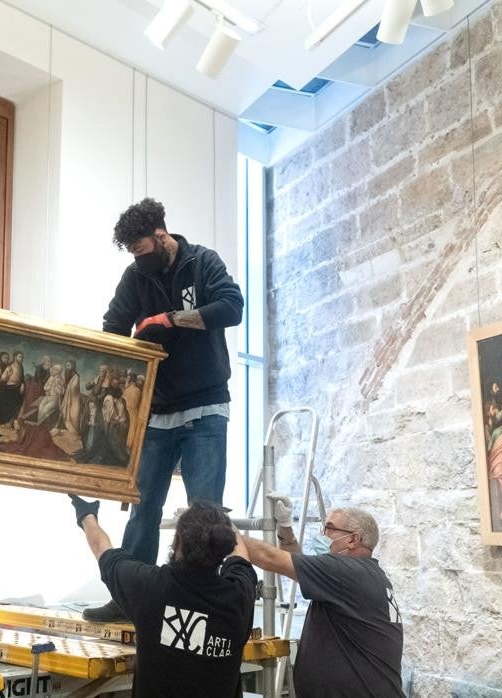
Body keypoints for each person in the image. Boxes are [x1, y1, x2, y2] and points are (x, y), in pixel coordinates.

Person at [89, 197, 244, 622]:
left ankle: (204, 599)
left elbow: (232, 308)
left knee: (206, 510)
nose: (139, 263)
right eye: (132, 256)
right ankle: (128, 599)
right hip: (156, 410)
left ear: (161, 237)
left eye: (141, 251)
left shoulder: (202, 262)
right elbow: (113, 326)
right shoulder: (135, 276)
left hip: (206, 405)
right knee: (143, 505)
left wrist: (171, 320)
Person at [69, 496, 256, 697]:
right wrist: (225, 523)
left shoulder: (149, 587)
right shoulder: (239, 597)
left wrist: (86, 515)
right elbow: (240, 555)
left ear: (176, 541)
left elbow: (101, 547)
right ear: (223, 546)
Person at [240, 505, 404, 698]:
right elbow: (299, 565)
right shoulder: (362, 574)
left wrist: (223, 533)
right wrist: (285, 528)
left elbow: (270, 558)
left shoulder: (347, 571)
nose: (323, 535)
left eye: (330, 528)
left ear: (352, 539)